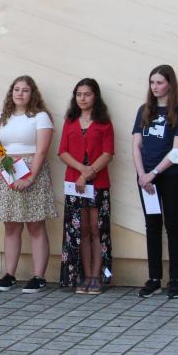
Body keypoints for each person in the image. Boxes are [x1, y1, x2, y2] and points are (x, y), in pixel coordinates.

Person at [0, 76, 57, 294]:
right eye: (16, 89)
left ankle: (39, 276)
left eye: (25, 90)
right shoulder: (2, 117)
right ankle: (9, 274)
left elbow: (42, 150)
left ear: (32, 94)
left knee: (35, 224)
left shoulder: (40, 117)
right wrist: (8, 165)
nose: (20, 93)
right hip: (8, 170)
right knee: (11, 225)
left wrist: (29, 177)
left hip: (32, 170)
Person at [133, 65, 178, 299]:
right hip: (146, 180)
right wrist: (141, 175)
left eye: (159, 82)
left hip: (170, 177)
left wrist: (153, 173)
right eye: (152, 82)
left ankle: (175, 279)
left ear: (170, 84)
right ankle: (154, 278)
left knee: (173, 225)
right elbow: (136, 145)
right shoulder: (143, 110)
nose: (155, 87)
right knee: (152, 225)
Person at [58, 78, 113, 295]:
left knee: (95, 229)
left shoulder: (104, 122)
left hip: (98, 183)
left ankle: (96, 276)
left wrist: (89, 173)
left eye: (87, 94)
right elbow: (62, 151)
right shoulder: (70, 121)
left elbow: (108, 153)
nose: (82, 98)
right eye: (79, 94)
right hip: (75, 184)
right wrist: (82, 170)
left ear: (95, 96)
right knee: (79, 229)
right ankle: (83, 274)